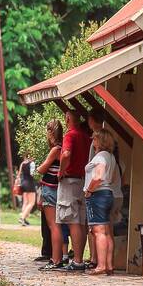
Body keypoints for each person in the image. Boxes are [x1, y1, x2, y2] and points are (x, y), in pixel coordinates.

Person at [54, 107, 91, 271]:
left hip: (69, 180)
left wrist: (61, 170)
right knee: (81, 221)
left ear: (68, 118)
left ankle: (77, 261)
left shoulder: (70, 135)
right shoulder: (85, 136)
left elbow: (67, 153)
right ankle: (80, 258)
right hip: (82, 180)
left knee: (73, 220)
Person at [84, 129, 122, 276]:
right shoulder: (111, 157)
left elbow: (98, 176)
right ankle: (109, 265)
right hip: (108, 194)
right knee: (106, 231)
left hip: (98, 195)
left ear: (100, 141)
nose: (93, 141)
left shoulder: (100, 157)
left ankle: (100, 265)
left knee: (98, 231)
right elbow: (111, 178)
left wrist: (89, 190)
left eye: (94, 139)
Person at [35, 119, 62, 266]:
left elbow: (42, 169)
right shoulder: (62, 147)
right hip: (55, 188)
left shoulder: (55, 149)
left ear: (51, 133)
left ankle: (55, 258)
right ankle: (58, 257)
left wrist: (39, 167)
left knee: (53, 226)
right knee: (57, 225)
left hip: (50, 188)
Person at [17, 157, 37, 224]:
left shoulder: (23, 163)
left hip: (23, 183)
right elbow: (32, 174)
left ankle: (24, 219)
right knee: (31, 203)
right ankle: (22, 218)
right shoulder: (32, 163)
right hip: (30, 184)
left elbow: (19, 174)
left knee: (25, 202)